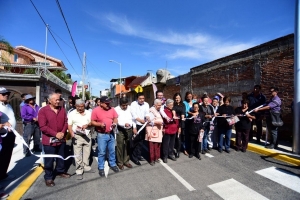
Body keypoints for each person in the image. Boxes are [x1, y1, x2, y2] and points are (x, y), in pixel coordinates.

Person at [38, 93, 70, 187]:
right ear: (49, 100)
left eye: (59, 99)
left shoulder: (62, 110)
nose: (58, 101)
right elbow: (43, 127)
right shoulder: (43, 111)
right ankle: (48, 177)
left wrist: (62, 132)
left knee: (61, 157)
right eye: (56, 100)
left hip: (61, 138)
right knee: (49, 160)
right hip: (49, 140)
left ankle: (60, 171)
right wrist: (55, 134)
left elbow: (66, 122)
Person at [91, 96, 119, 177]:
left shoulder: (112, 109)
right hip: (101, 134)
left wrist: (114, 123)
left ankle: (113, 164)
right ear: (101, 103)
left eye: (109, 103)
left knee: (112, 150)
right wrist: (99, 124)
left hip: (111, 133)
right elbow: (92, 122)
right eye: (106, 103)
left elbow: (115, 118)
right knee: (102, 152)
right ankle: (101, 167)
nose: (108, 105)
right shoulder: (95, 110)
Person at [68, 99, 93, 180]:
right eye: (78, 107)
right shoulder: (72, 113)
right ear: (75, 106)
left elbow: (92, 122)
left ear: (84, 106)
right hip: (77, 136)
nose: (80, 108)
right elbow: (69, 125)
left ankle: (86, 166)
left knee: (87, 151)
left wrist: (87, 125)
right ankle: (79, 170)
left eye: (82, 106)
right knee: (77, 153)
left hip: (87, 135)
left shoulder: (89, 113)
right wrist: (71, 132)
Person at [0, 87, 16, 183]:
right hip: (2, 136)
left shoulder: (8, 106)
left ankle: (3, 174)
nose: (6, 95)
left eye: (7, 93)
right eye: (3, 93)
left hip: (11, 134)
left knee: (7, 156)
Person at [130, 93, 150, 165]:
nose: (142, 100)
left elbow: (147, 113)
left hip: (143, 125)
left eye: (143, 98)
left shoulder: (146, 104)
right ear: (137, 98)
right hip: (136, 125)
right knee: (135, 142)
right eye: (140, 99)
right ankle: (134, 157)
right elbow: (133, 116)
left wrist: (147, 117)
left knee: (141, 141)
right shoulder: (133, 104)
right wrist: (134, 127)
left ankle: (138, 155)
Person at [115, 98, 134, 170]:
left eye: (126, 105)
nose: (125, 107)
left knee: (127, 146)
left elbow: (133, 118)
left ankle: (126, 161)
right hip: (120, 129)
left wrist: (132, 126)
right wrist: (123, 124)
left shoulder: (130, 108)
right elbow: (117, 120)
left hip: (129, 129)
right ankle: (120, 163)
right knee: (120, 146)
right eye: (123, 105)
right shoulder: (116, 109)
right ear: (120, 104)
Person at [145, 99, 163, 166]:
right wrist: (158, 122)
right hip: (152, 130)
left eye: (160, 105)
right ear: (155, 105)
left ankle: (156, 158)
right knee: (152, 146)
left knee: (157, 145)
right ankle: (152, 159)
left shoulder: (158, 111)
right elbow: (149, 121)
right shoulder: (151, 111)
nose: (160, 106)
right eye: (159, 105)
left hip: (158, 130)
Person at [162, 99, 179, 163]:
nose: (172, 106)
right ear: (167, 105)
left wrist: (177, 127)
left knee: (172, 143)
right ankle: (165, 156)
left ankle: (171, 154)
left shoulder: (173, 111)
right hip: (167, 130)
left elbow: (176, 120)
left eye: (172, 104)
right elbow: (164, 121)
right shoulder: (164, 111)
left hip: (174, 130)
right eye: (171, 105)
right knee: (166, 144)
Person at [173, 93, 186, 158]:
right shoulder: (173, 105)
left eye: (178, 98)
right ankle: (172, 150)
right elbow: (173, 112)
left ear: (180, 98)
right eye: (176, 98)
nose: (177, 99)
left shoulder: (183, 104)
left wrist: (180, 126)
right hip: (173, 123)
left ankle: (178, 151)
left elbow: (183, 113)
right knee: (173, 138)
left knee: (178, 138)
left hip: (180, 123)